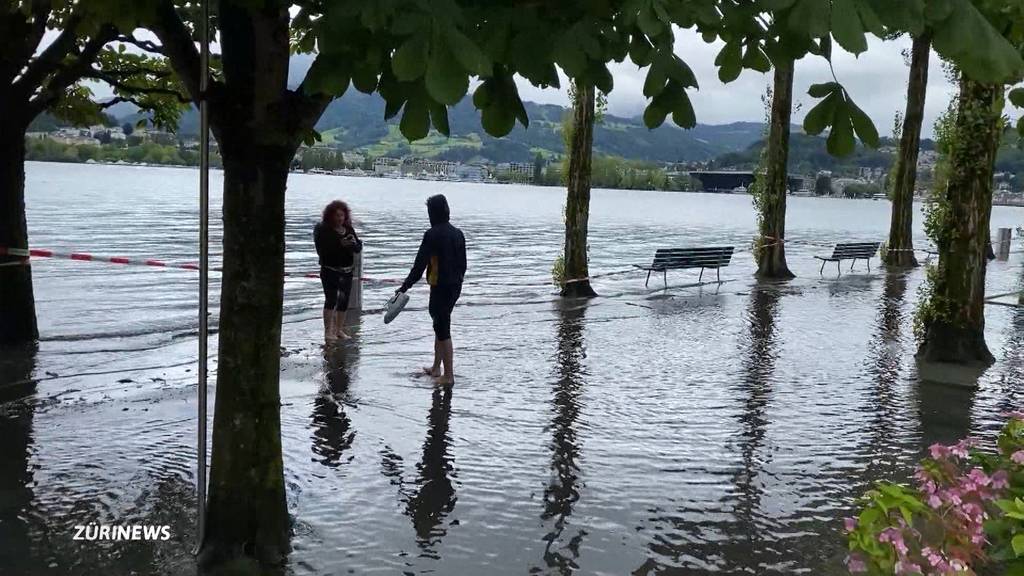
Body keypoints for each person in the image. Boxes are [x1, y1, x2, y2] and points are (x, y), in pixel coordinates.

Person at [398, 194, 467, 385]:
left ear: (431, 214)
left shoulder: (432, 234)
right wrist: (457, 283)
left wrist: (404, 287)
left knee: (442, 328)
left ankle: (449, 375)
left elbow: (419, 266)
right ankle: (437, 368)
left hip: (440, 286)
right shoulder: (458, 233)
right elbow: (463, 265)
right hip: (454, 286)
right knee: (440, 325)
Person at [314, 200, 362, 344]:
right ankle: (328, 330)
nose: (340, 219)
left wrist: (353, 243)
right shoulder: (322, 229)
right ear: (330, 216)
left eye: (342, 215)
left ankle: (339, 329)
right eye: (337, 216)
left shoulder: (348, 228)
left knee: (343, 301)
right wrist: (339, 244)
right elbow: (322, 251)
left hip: (347, 270)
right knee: (331, 300)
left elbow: (358, 247)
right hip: (330, 270)